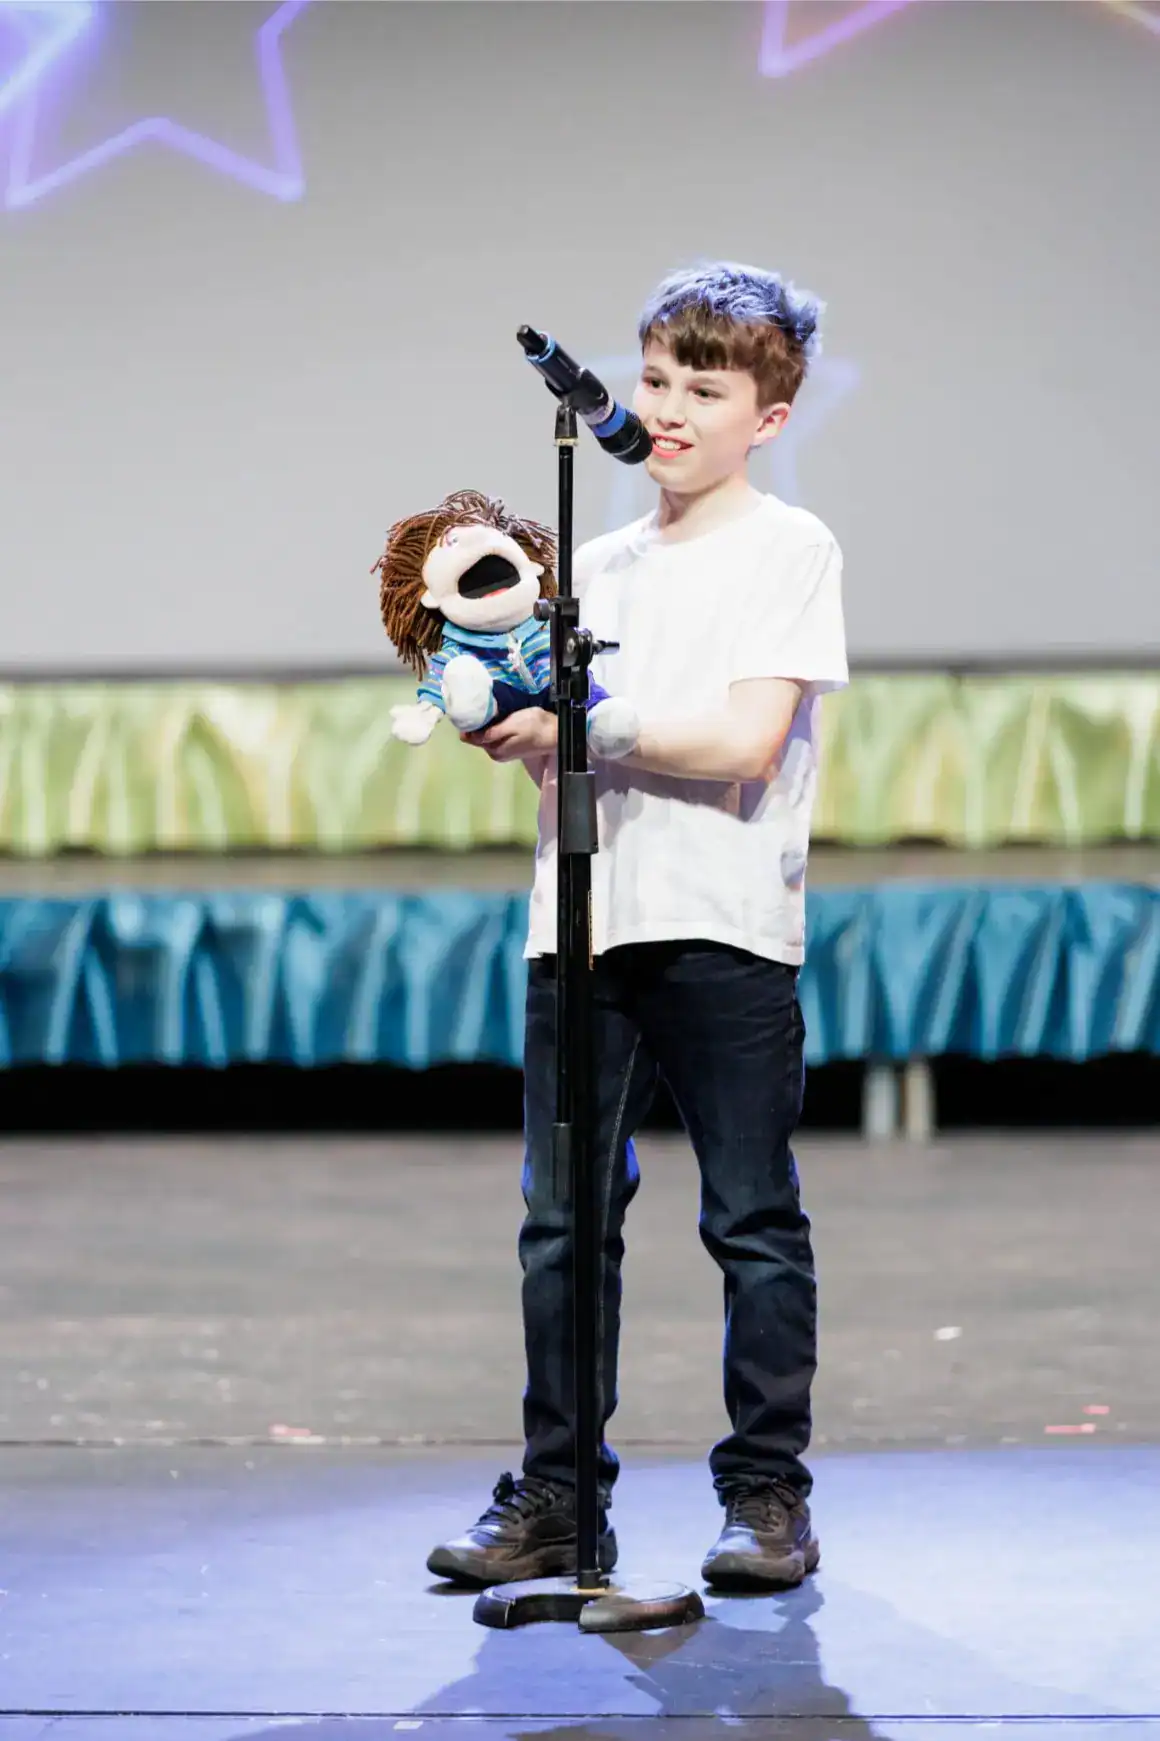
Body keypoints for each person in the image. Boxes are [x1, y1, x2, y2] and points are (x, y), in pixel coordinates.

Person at [426, 261, 848, 1593]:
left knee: (750, 1221)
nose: (664, 407)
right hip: (585, 925)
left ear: (765, 417)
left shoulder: (791, 549)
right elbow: (550, 746)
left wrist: (592, 725)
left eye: (701, 387)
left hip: (721, 926)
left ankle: (766, 1498)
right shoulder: (586, 568)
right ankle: (559, 1500)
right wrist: (499, 716)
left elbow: (741, 741)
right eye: (657, 376)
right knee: (564, 1227)